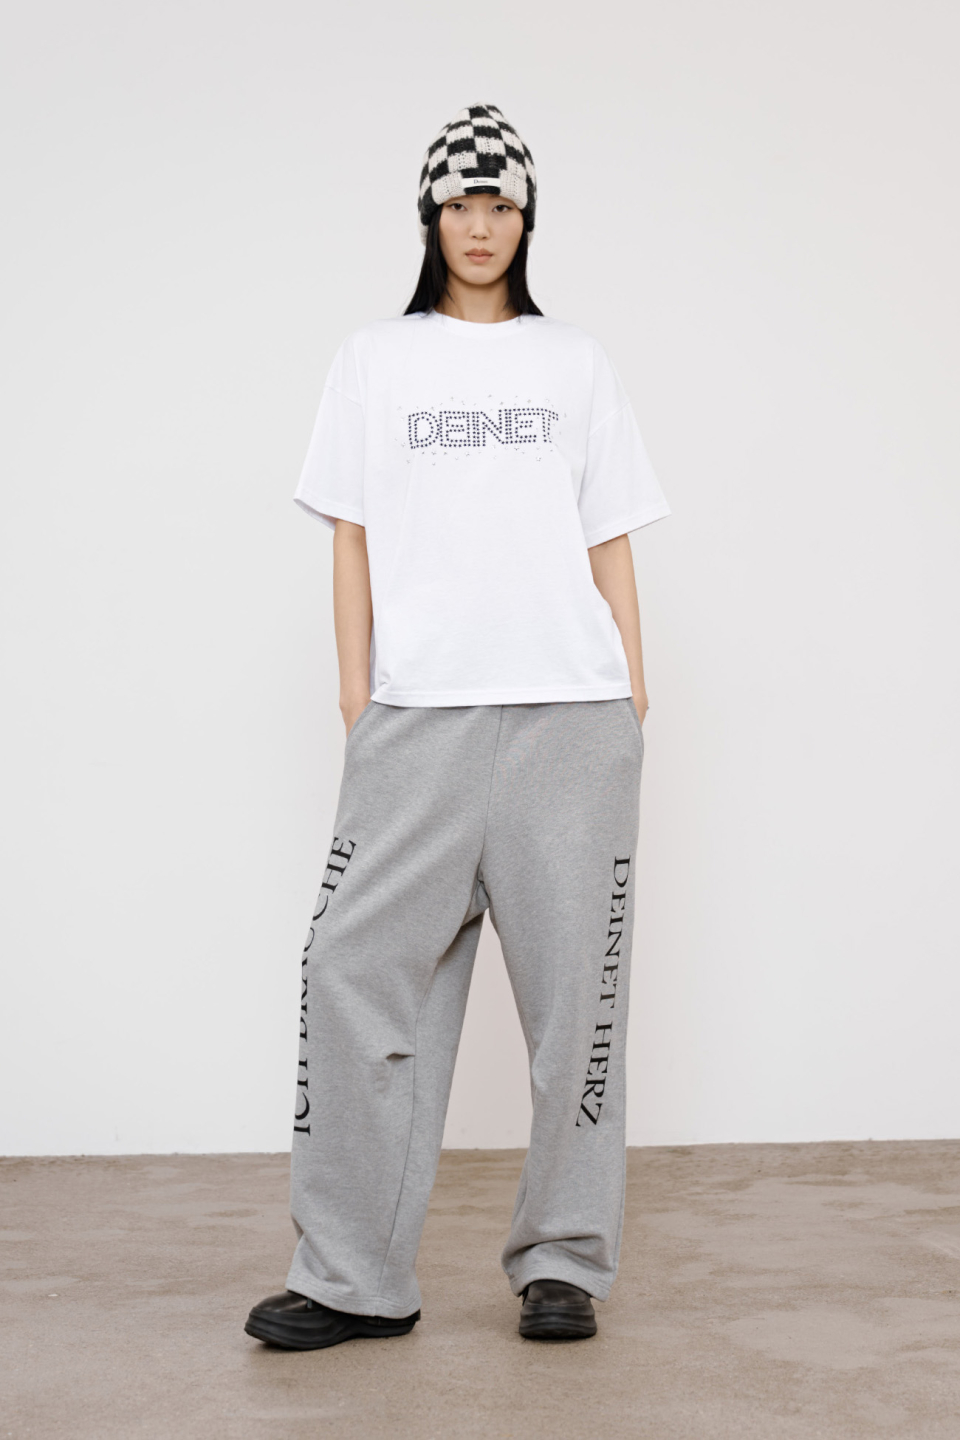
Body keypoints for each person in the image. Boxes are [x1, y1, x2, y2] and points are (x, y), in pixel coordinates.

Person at [245, 103, 670, 1351]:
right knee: (352, 978)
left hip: (570, 718)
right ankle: (351, 1274)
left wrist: (635, 690)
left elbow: (609, 536)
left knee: (577, 1004)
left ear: (527, 220)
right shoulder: (375, 359)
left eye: (501, 204)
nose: (480, 225)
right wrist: (356, 694)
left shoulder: (574, 362)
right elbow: (351, 535)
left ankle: (564, 1262)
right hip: (417, 717)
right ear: (430, 217)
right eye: (459, 203)